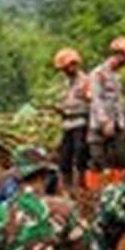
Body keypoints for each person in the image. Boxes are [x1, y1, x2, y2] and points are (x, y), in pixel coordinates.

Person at [86, 37, 125, 189]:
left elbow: (118, 102)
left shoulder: (116, 76)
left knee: (120, 157)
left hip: (117, 124)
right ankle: (96, 192)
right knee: (98, 158)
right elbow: (96, 99)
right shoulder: (98, 74)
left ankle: (117, 190)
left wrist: (122, 123)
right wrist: (104, 121)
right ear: (118, 55)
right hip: (100, 124)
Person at [53, 48, 90, 191]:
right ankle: (67, 187)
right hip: (67, 124)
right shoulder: (66, 83)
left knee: (80, 154)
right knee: (64, 156)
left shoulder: (85, 81)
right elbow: (65, 101)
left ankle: (81, 185)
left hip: (80, 122)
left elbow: (90, 101)